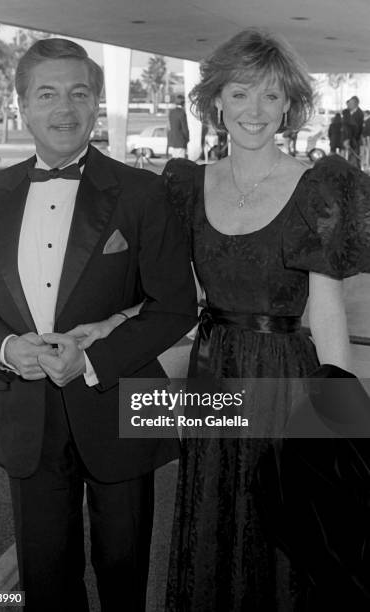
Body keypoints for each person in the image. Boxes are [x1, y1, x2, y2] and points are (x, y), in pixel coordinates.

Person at [0, 38, 197, 612]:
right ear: (21, 106)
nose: (64, 108)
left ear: (95, 104)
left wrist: (92, 358)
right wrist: (10, 347)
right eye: (47, 94)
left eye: (78, 93)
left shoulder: (142, 191)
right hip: (26, 415)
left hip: (118, 405)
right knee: (45, 576)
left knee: (123, 569)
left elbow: (175, 305)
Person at [161, 28, 370, 610]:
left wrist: (342, 428)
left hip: (284, 378)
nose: (255, 111)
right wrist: (100, 333)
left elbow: (325, 310)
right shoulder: (187, 185)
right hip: (211, 371)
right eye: (240, 93)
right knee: (212, 510)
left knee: (285, 517)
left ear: (289, 107)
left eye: (272, 97)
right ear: (217, 100)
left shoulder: (317, 188)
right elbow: (169, 299)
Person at [343, 95, 364, 168]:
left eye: (350, 103)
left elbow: (356, 129)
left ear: (356, 104)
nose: (348, 104)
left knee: (354, 160)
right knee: (350, 159)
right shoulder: (348, 113)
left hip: (355, 140)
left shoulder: (359, 114)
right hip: (349, 139)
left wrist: (348, 140)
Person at [167, 94, 189, 158]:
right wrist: (187, 138)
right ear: (183, 103)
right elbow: (184, 128)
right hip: (181, 140)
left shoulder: (172, 112)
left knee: (174, 160)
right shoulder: (182, 113)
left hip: (173, 140)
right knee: (181, 162)